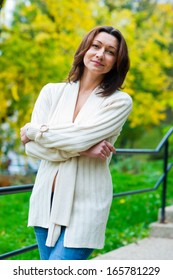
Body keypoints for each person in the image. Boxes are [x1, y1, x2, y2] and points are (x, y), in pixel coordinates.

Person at [20, 25, 132, 260]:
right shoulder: (51, 92)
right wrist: (85, 149)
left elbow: (67, 137)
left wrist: (33, 131)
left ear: (116, 62)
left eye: (110, 52)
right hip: (45, 200)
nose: (100, 55)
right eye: (96, 46)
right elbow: (31, 148)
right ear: (85, 49)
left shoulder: (119, 102)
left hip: (87, 203)